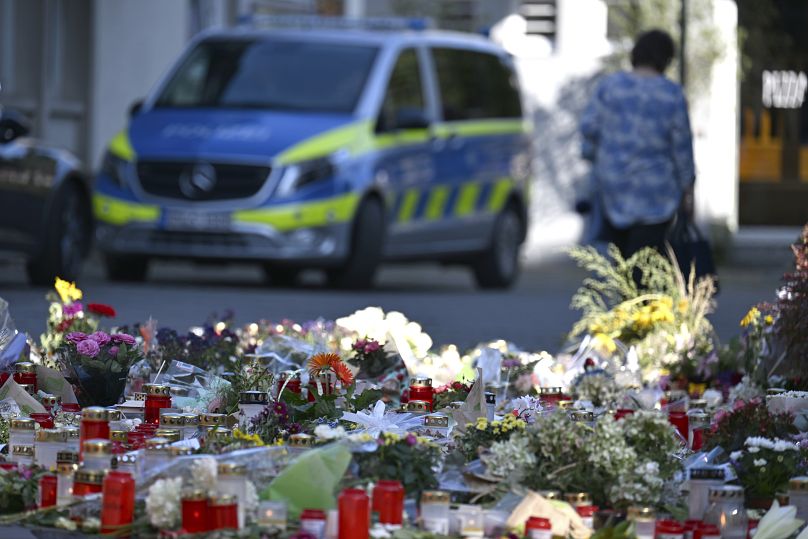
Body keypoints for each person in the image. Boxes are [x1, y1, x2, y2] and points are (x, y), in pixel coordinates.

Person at [579, 29, 695, 259]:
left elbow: (589, 130)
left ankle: (625, 295)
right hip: (656, 196)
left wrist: (598, 161)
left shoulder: (609, 87)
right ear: (665, 58)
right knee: (646, 267)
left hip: (613, 191)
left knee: (620, 265)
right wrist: (688, 189)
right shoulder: (671, 94)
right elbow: (681, 148)